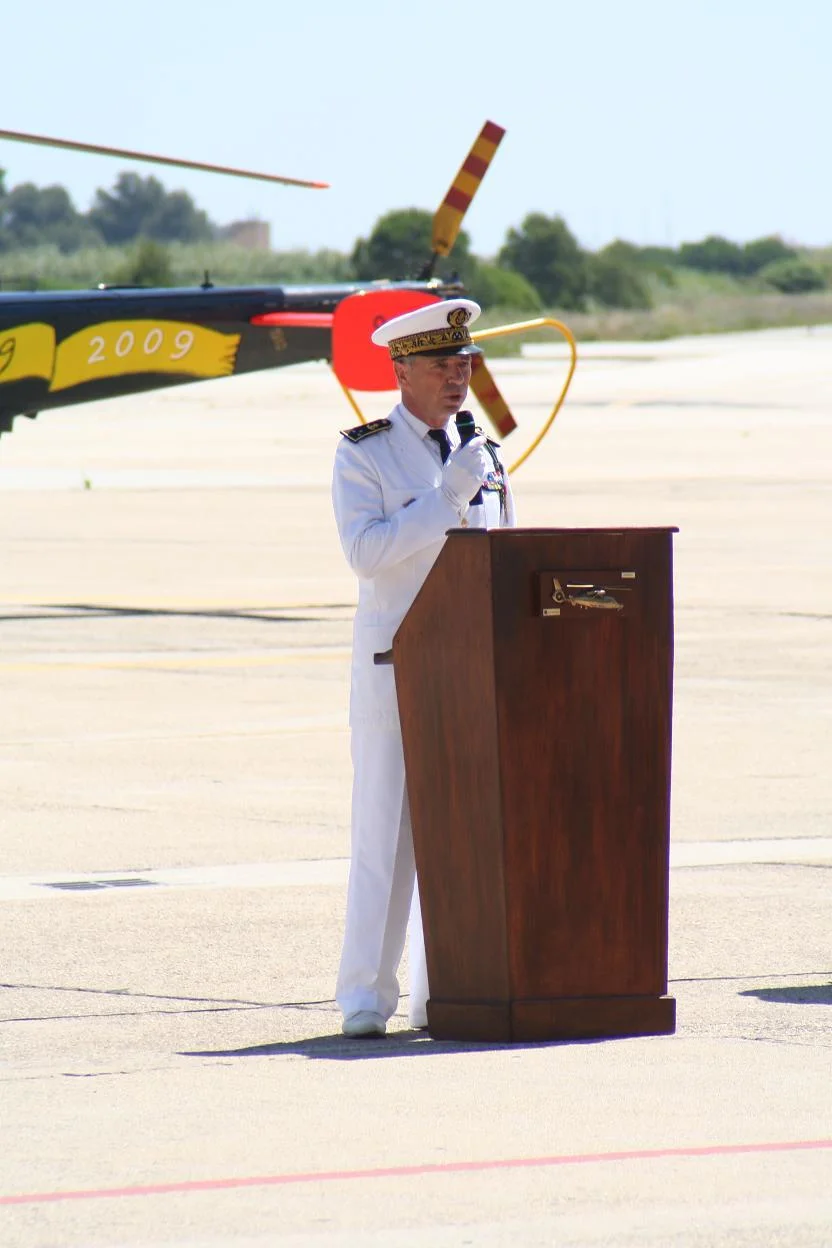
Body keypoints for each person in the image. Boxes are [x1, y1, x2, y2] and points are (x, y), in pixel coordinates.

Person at [331, 298, 516, 1038]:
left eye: (464, 363)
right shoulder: (365, 452)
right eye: (441, 364)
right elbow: (367, 553)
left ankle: (446, 991)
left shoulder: (482, 450)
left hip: (473, 670)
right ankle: (365, 997)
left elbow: (504, 553)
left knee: (463, 833)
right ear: (401, 369)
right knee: (387, 833)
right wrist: (444, 498)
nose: (456, 378)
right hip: (396, 666)